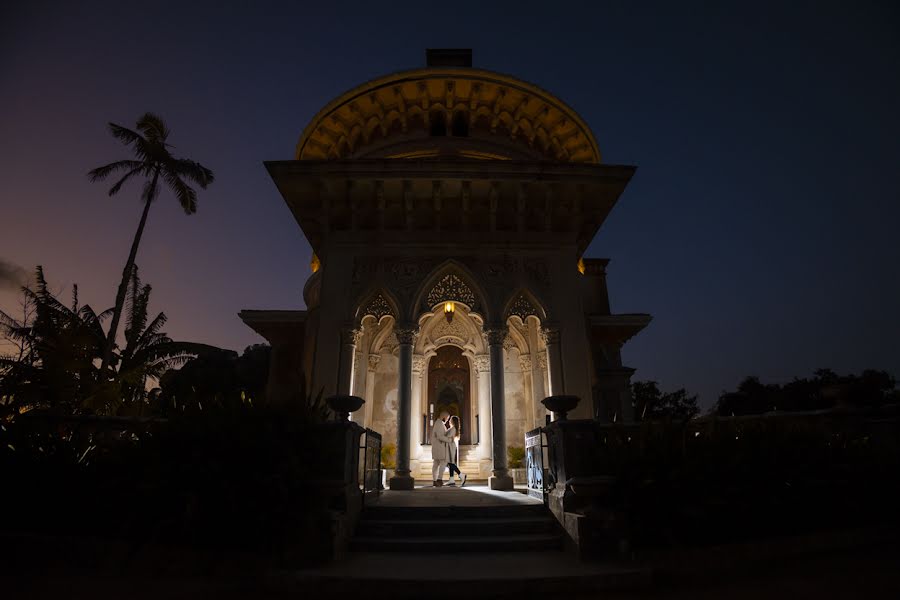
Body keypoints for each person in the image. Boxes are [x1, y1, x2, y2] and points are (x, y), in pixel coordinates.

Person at [430, 410, 454, 486]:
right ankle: (439, 479)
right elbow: (440, 436)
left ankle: (435, 480)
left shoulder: (439, 423)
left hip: (437, 447)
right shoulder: (439, 423)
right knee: (443, 462)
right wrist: (449, 440)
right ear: (444, 416)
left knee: (436, 464)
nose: (447, 419)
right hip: (439, 447)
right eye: (447, 417)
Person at [444, 415, 467, 487]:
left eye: (451, 420)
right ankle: (451, 479)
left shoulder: (453, 429)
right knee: (450, 463)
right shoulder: (453, 428)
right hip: (450, 446)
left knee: (450, 463)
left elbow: (446, 437)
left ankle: (461, 475)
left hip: (450, 447)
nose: (449, 421)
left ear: (453, 421)